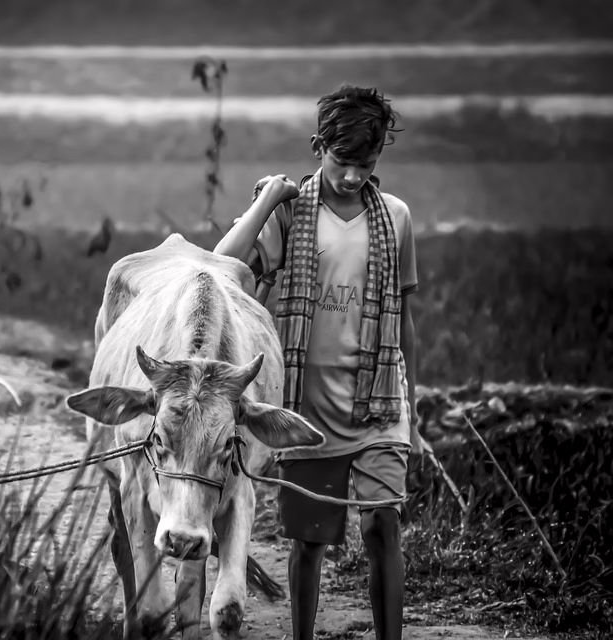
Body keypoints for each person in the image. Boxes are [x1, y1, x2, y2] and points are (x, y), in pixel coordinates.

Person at [214, 85, 420, 640]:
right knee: (309, 540)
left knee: (383, 525)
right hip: (306, 404)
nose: (352, 176)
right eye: (342, 160)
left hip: (379, 399)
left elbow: (405, 322)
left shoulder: (395, 218)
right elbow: (222, 265)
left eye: (366, 164)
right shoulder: (290, 214)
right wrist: (266, 201)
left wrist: (413, 412)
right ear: (317, 147)